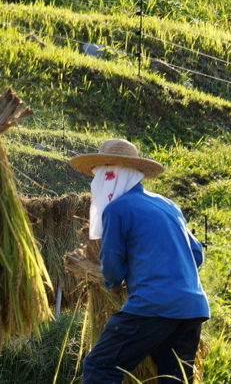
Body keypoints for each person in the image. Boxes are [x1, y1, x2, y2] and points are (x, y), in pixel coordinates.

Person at [70, 138, 209, 384]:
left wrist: (113, 284)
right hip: (193, 307)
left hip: (152, 305)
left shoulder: (117, 209)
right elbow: (196, 254)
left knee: (100, 367)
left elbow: (112, 264)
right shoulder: (167, 204)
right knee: (173, 377)